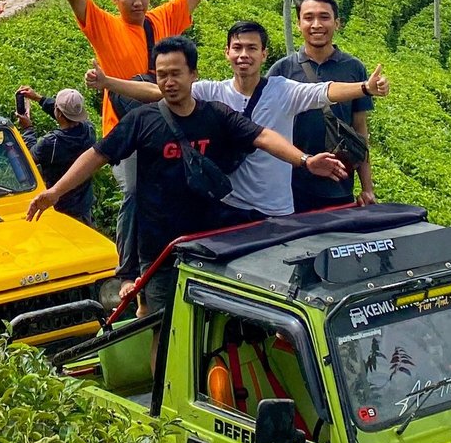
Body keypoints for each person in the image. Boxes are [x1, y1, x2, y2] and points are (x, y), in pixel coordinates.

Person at [27, 36, 346, 312]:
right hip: (161, 248)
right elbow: (96, 156)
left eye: (176, 74)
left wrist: (304, 160)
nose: (168, 81)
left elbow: (263, 136)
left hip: (211, 243)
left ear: (193, 74)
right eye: (162, 75)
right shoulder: (141, 120)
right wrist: (56, 192)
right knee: (162, 330)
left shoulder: (215, 114)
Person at [21, 0, 263, 280]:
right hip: (127, 129)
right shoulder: (104, 25)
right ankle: (126, 272)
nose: (138, 3)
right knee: (134, 193)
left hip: (172, 125)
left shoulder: (164, 19)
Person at [94, 18, 389, 220]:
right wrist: (109, 83)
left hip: (276, 209)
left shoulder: (283, 90)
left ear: (264, 54)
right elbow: (155, 90)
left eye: (251, 48)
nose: (243, 55)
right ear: (227, 53)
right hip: (228, 206)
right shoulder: (213, 92)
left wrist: (364, 88)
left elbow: (325, 91)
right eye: (237, 48)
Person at [271, 0, 377, 211]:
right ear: (299, 23)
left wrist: (367, 187)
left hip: (339, 185)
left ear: (337, 23)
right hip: (290, 188)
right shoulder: (282, 70)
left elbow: (360, 130)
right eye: (308, 18)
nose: (316, 24)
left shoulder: (353, 67)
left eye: (324, 17)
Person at [15, 85, 97, 226]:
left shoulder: (51, 143)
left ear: (58, 113)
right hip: (84, 207)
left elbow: (29, 159)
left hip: (60, 209)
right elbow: (67, 116)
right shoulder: (89, 130)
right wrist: (39, 98)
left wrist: (28, 129)